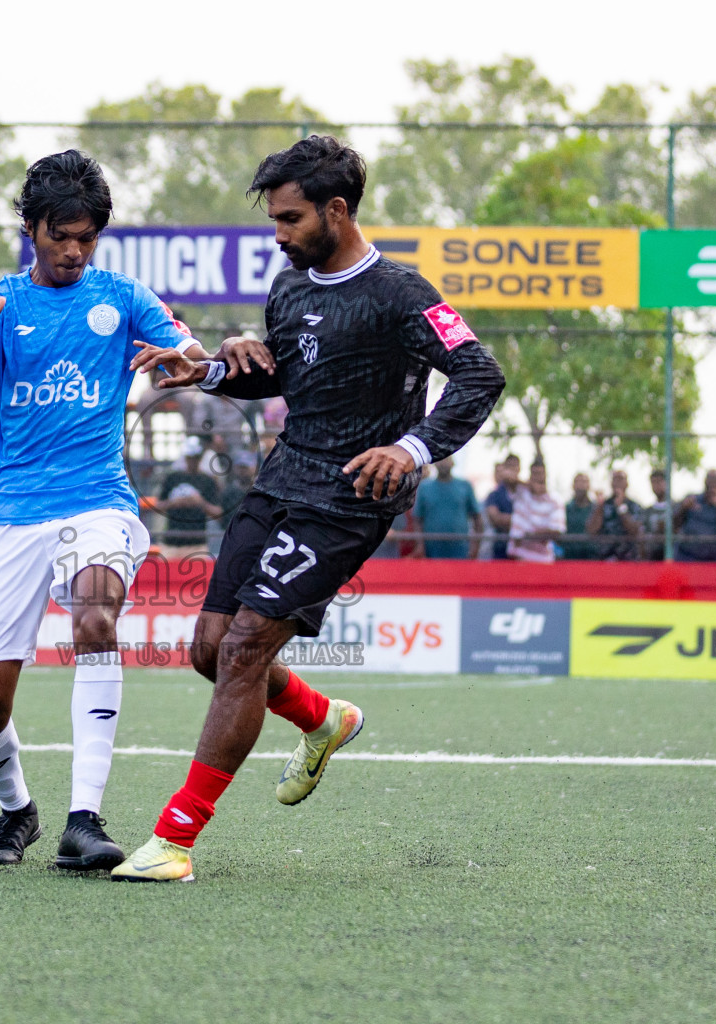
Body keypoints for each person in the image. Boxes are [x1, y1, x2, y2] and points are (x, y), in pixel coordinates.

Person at [118, 135, 504, 881]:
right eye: (274, 219)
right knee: (210, 651)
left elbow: (478, 374)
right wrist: (210, 370)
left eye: (290, 219)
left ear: (337, 210)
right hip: (280, 481)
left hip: (348, 499)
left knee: (244, 649)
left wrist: (412, 449)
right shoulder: (289, 287)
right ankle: (323, 719)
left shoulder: (401, 293)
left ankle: (174, 840)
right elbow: (284, 373)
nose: (279, 234)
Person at [0, 149, 211, 872]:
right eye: (61, 236)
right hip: (12, 513)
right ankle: (18, 810)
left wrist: (189, 358)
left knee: (95, 618)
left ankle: (84, 820)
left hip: (98, 501)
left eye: (87, 238)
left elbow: (186, 345)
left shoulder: (122, 297)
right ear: (31, 229)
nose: (75, 251)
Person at [156, 435, 221, 558]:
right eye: (190, 457)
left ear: (201, 458)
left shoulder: (207, 480)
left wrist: (200, 503)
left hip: (197, 543)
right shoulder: (173, 478)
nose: (193, 461)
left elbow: (218, 512)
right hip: (171, 542)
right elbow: (157, 506)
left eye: (196, 458)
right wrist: (173, 503)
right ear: (185, 457)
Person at [412, 454, 481, 559]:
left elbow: (477, 518)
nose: (443, 463)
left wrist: (475, 547)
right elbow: (417, 519)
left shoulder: (465, 486)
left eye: (447, 459)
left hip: (460, 549)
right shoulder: (424, 487)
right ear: (434, 463)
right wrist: (420, 546)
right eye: (440, 459)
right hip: (431, 550)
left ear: (453, 463)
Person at [674, 469, 716, 563]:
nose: (711, 487)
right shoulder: (693, 500)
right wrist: (683, 508)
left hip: (712, 557)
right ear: (705, 482)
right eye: (709, 482)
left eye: (715, 482)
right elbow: (674, 525)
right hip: (686, 555)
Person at [507, 459, 564, 563]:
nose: (537, 477)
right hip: (517, 557)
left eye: (540, 473)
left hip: (541, 560)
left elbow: (556, 531)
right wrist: (527, 484)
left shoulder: (555, 500)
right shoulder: (521, 492)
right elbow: (507, 476)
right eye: (534, 473)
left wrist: (528, 535)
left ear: (546, 475)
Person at [586, 470, 644, 560]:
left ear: (627, 483)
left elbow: (635, 531)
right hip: (605, 557)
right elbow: (592, 530)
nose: (617, 483)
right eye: (615, 479)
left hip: (628, 557)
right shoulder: (602, 505)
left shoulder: (634, 505)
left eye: (620, 479)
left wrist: (621, 507)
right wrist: (599, 507)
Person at [483, 454, 520, 559]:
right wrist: (522, 521)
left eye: (515, 466)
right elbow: (495, 519)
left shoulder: (525, 492)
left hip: (522, 551)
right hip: (500, 548)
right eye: (509, 466)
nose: (512, 471)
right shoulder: (494, 495)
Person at [560, 471, 598, 560]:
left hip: (591, 557)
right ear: (573, 486)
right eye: (577, 481)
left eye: (584, 482)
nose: (580, 485)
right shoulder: (565, 509)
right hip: (570, 556)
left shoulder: (596, 509)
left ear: (589, 485)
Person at [644, 468, 671, 560]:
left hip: (671, 556)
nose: (656, 485)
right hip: (652, 557)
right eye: (653, 482)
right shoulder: (647, 511)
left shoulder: (676, 508)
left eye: (659, 481)